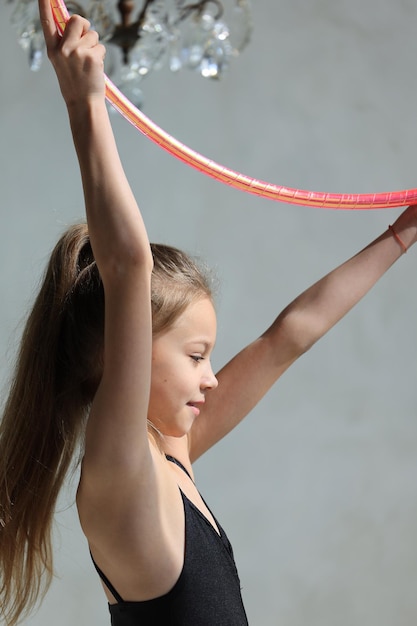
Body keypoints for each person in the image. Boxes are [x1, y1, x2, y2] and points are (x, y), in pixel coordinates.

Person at [0, 3, 416, 625]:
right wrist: (85, 102)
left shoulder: (173, 451)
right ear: (125, 350)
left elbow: (289, 336)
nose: (212, 376)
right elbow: (127, 263)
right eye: (195, 356)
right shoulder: (119, 474)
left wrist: (404, 232)